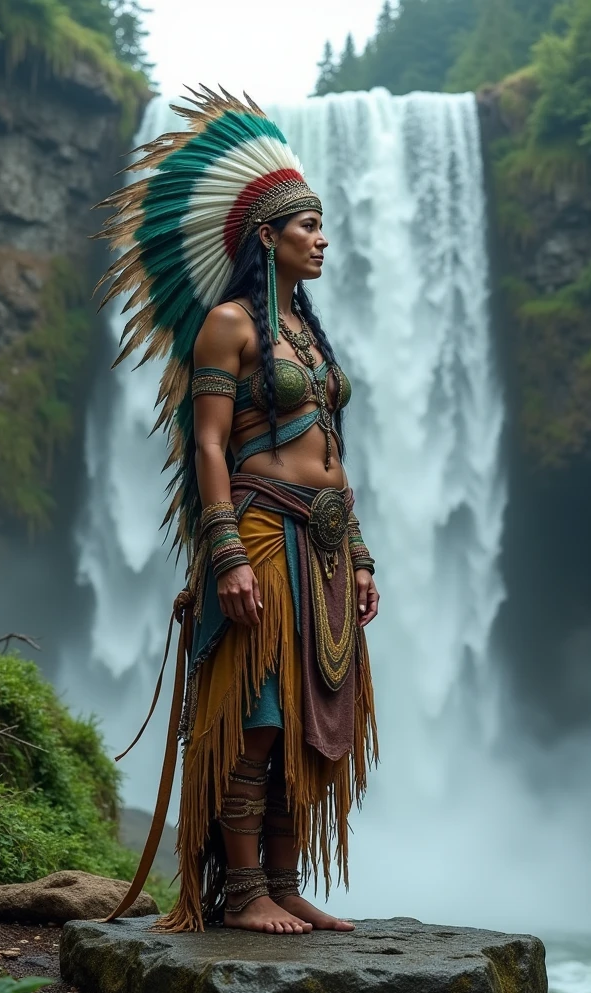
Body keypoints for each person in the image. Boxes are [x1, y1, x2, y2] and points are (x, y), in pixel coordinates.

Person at [95, 86, 379, 935]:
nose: (322, 240)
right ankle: (244, 888)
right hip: (259, 527)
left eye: (323, 226)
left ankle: (284, 881)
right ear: (268, 237)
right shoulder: (228, 325)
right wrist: (226, 556)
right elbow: (210, 444)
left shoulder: (311, 335)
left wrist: (360, 555)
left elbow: (333, 451)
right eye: (307, 228)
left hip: (324, 539)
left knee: (308, 714)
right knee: (258, 709)